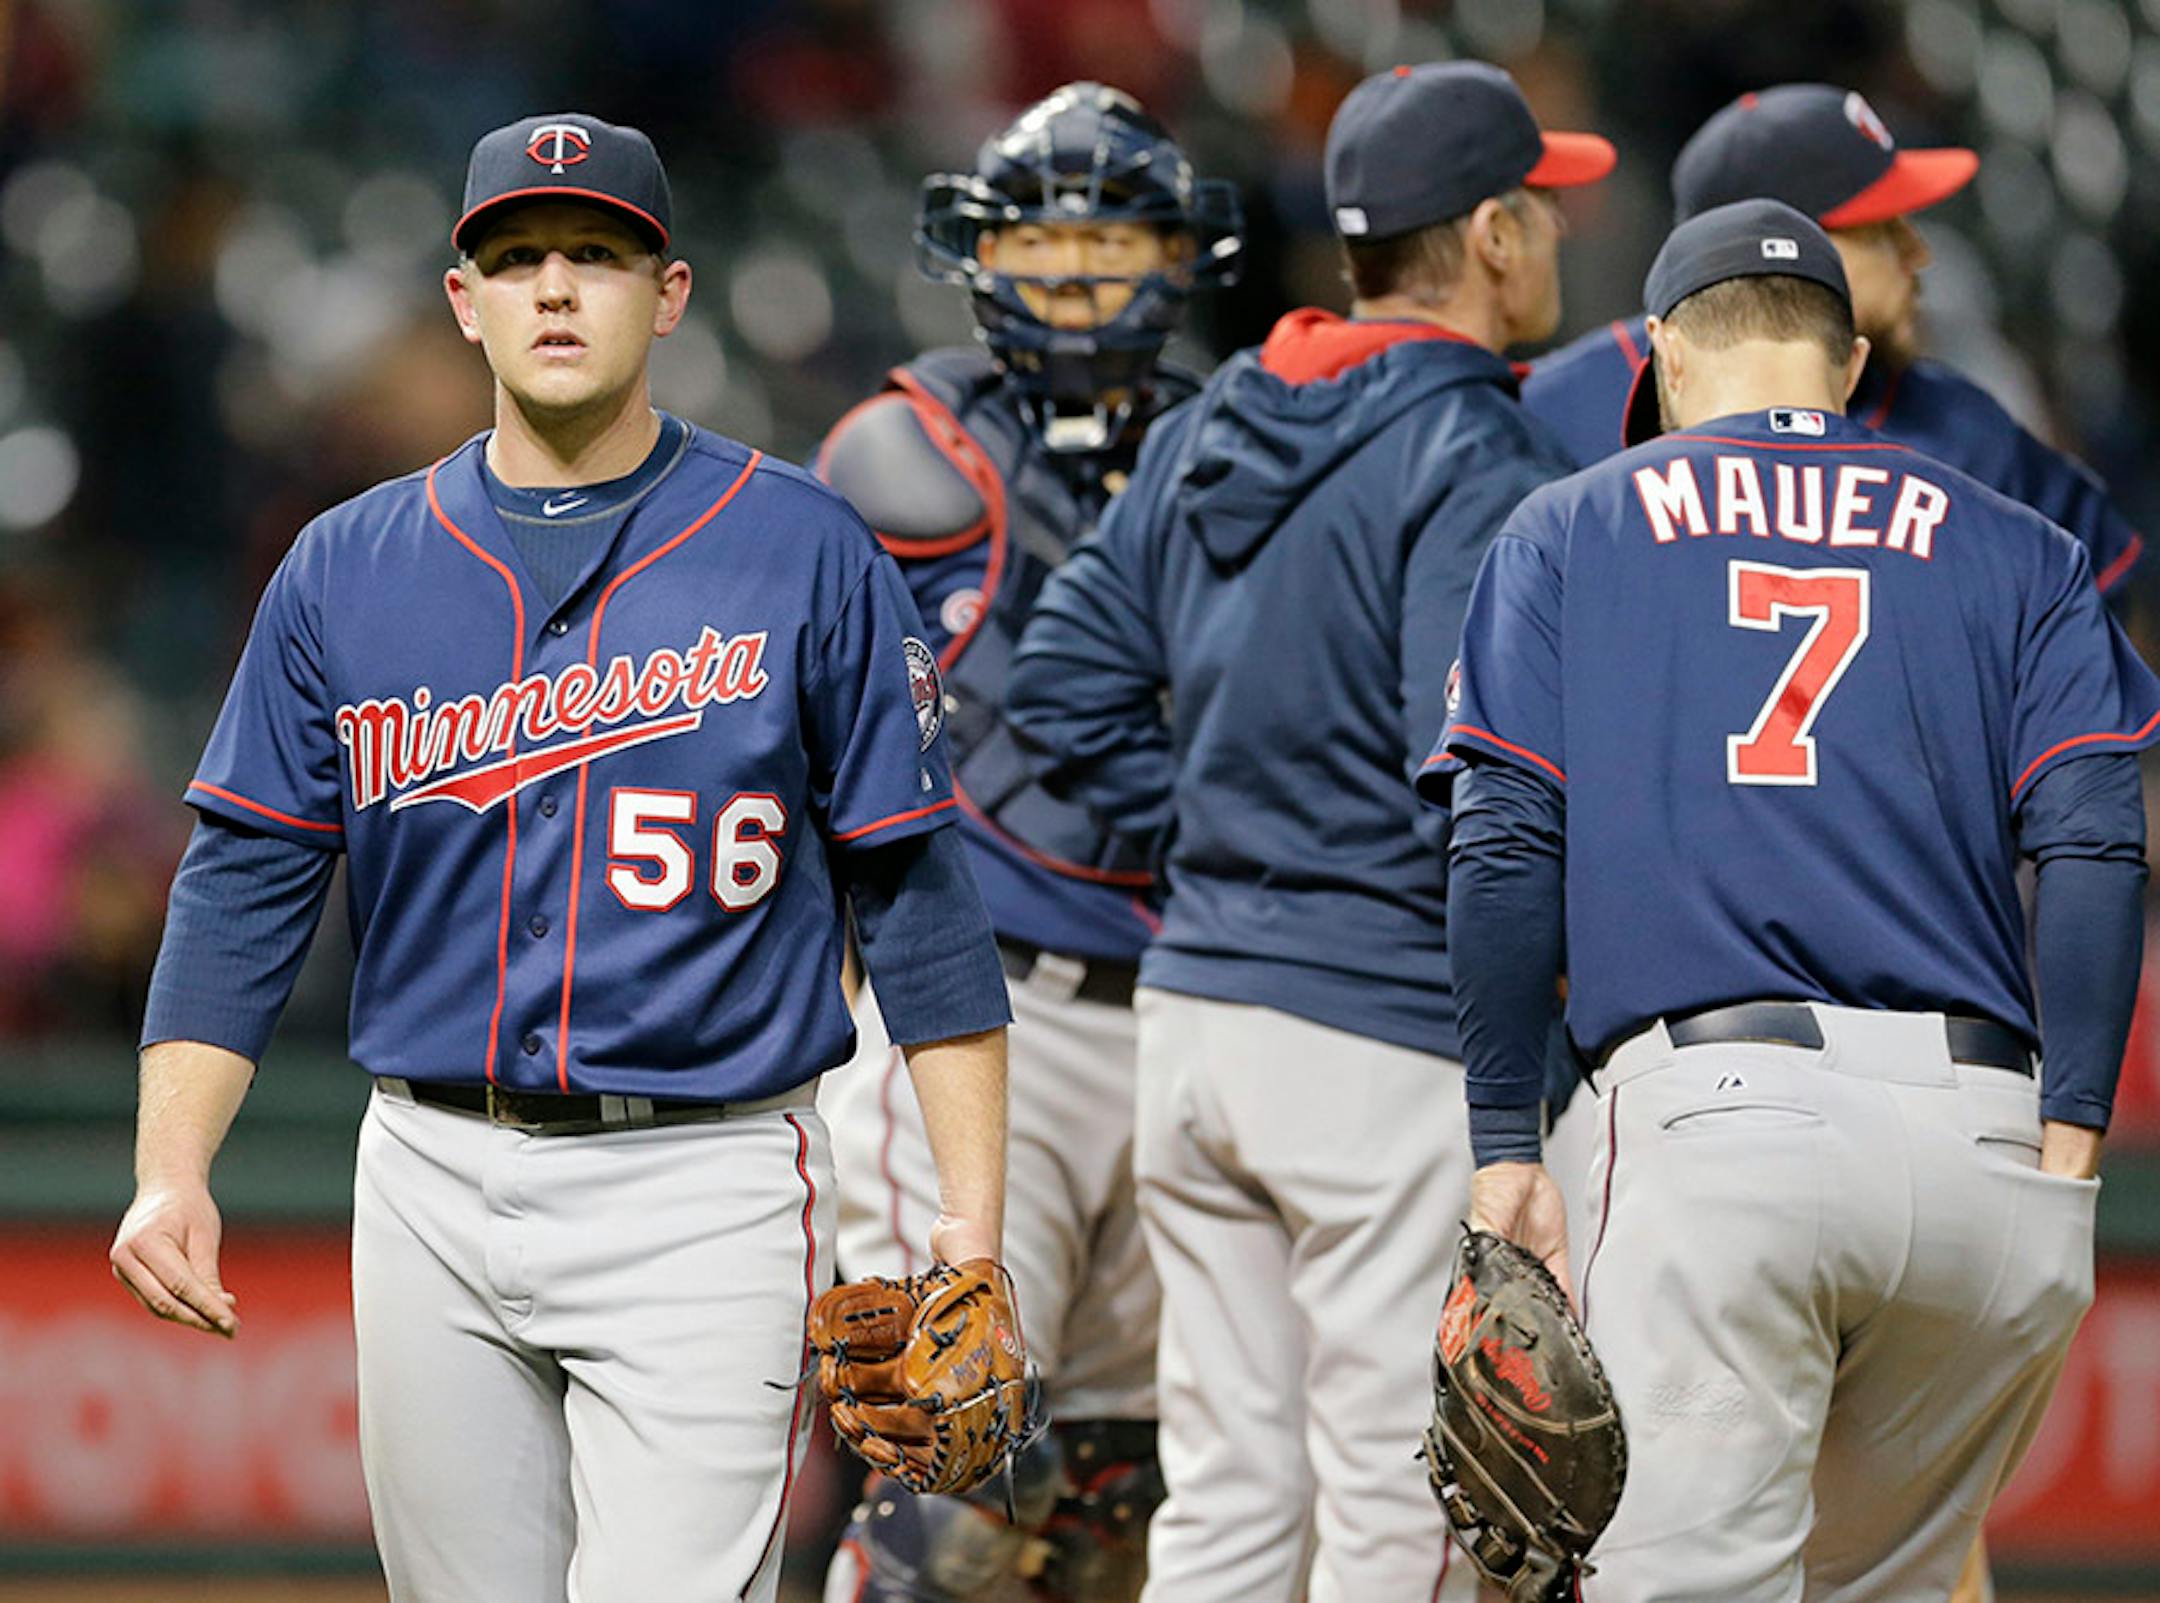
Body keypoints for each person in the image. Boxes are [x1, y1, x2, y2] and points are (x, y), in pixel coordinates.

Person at [107, 113, 1014, 1603]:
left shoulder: (801, 547)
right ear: (462, 300)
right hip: (428, 1168)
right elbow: (243, 879)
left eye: (596, 255)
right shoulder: (349, 564)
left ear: (668, 295)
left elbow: (914, 900)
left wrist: (968, 1226)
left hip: (707, 1173)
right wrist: (165, 1166)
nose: (553, 289)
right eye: (515, 257)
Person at [1426, 198, 2157, 1601]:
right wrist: (2066, 1142)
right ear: (1847, 353)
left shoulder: (1569, 525)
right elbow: (2094, 842)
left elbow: (1503, 843)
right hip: (1984, 1154)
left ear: (1664, 361)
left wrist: (1503, 1135)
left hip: (1720, 1127)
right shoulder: (2019, 544)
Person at [1007, 62, 1612, 1603]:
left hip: (1196, 1022)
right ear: (1488, 232)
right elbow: (1471, 775)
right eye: (1538, 206)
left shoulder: (1223, 411)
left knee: (1224, 1493)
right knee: (1392, 1503)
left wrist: (1212, 835)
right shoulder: (1481, 456)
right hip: (1376, 1030)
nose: (1550, 233)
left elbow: (1062, 683)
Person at [812, 82, 1239, 1603]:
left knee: (1130, 1493)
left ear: (1175, 256)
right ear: (978, 256)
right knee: (960, 1466)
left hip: (1201, 1013)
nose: (1070, 275)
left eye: (1108, 239)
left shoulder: (1238, 447)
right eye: (1039, 241)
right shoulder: (901, 453)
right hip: (981, 1016)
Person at [1523, 83, 2143, 600]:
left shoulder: (1962, 426)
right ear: (1779, 245)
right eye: (1882, 228)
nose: (1917, 252)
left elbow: (2108, 600)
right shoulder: (1556, 413)